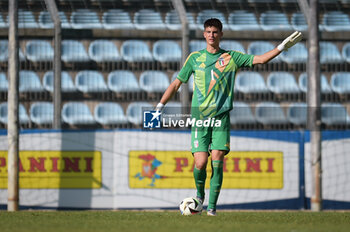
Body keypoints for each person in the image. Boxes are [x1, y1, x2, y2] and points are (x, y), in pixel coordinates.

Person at [155, 18, 302, 216]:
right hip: (200, 119)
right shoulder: (194, 58)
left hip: (221, 119)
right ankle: (199, 196)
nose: (211, 35)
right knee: (200, 163)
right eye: (208, 31)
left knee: (217, 159)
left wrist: (282, 47)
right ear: (204, 34)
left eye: (215, 32)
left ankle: (212, 209)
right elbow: (176, 84)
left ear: (221, 34)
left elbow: (260, 60)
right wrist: (159, 107)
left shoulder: (231, 57)